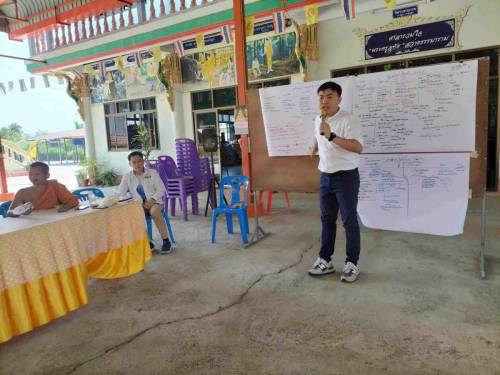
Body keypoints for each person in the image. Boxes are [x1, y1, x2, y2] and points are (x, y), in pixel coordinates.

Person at [308, 81, 364, 282]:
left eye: (329, 96)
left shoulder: (349, 119)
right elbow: (319, 134)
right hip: (326, 176)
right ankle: (325, 260)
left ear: (339, 99)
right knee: (327, 220)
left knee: (349, 221)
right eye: (321, 97)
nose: (324, 100)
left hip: (346, 177)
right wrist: (314, 147)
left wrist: (331, 135)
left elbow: (358, 147)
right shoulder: (319, 119)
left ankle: (352, 263)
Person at [119, 151, 172, 254]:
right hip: (138, 205)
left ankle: (166, 241)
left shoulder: (152, 173)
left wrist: (152, 200)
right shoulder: (127, 177)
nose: (137, 164)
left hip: (155, 202)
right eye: (134, 162)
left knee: (154, 212)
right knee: (131, 215)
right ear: (130, 164)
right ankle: (148, 242)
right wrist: (130, 200)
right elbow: (121, 192)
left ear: (143, 161)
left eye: (139, 161)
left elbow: (161, 189)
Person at [7, 161, 78, 217]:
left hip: (53, 220)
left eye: (37, 174)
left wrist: (67, 207)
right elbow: (9, 213)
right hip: (30, 225)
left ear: (47, 175)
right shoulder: (22, 192)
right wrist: (20, 212)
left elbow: (72, 201)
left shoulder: (55, 186)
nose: (33, 177)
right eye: (30, 174)